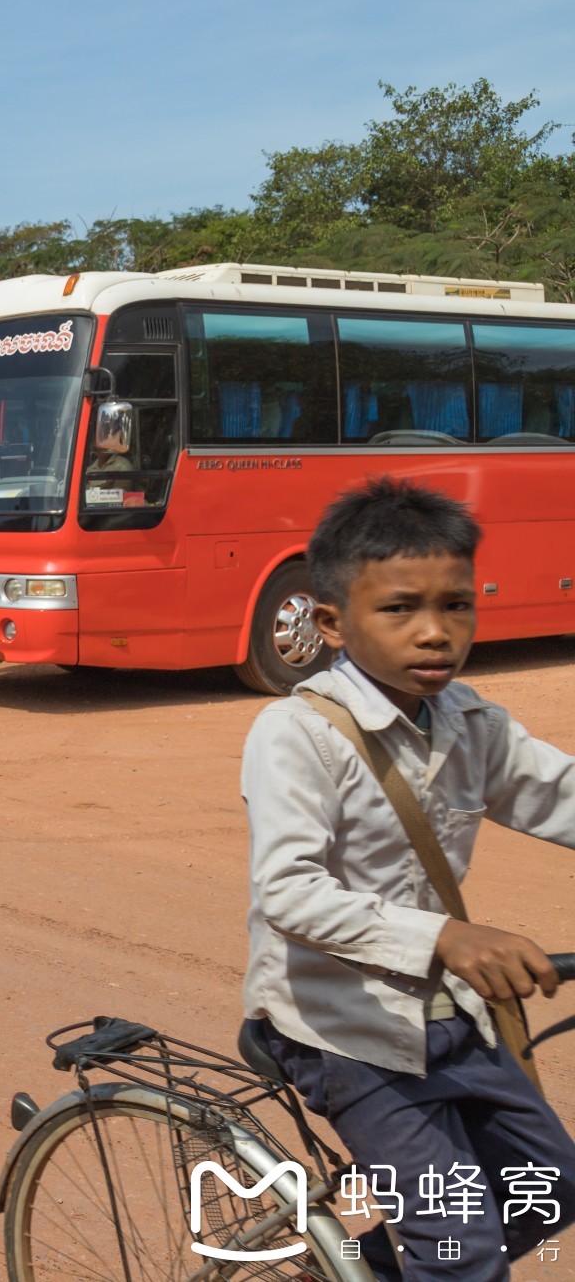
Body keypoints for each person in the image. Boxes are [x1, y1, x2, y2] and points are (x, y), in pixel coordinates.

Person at [242, 479, 575, 1278]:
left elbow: (558, 794)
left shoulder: (470, 721)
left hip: (449, 1016)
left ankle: (366, 1261)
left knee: (552, 1189)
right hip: (341, 1030)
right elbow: (287, 890)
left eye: (456, 605)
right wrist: (448, 937)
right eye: (400, 609)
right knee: (463, 1246)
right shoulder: (296, 732)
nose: (436, 632)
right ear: (331, 621)